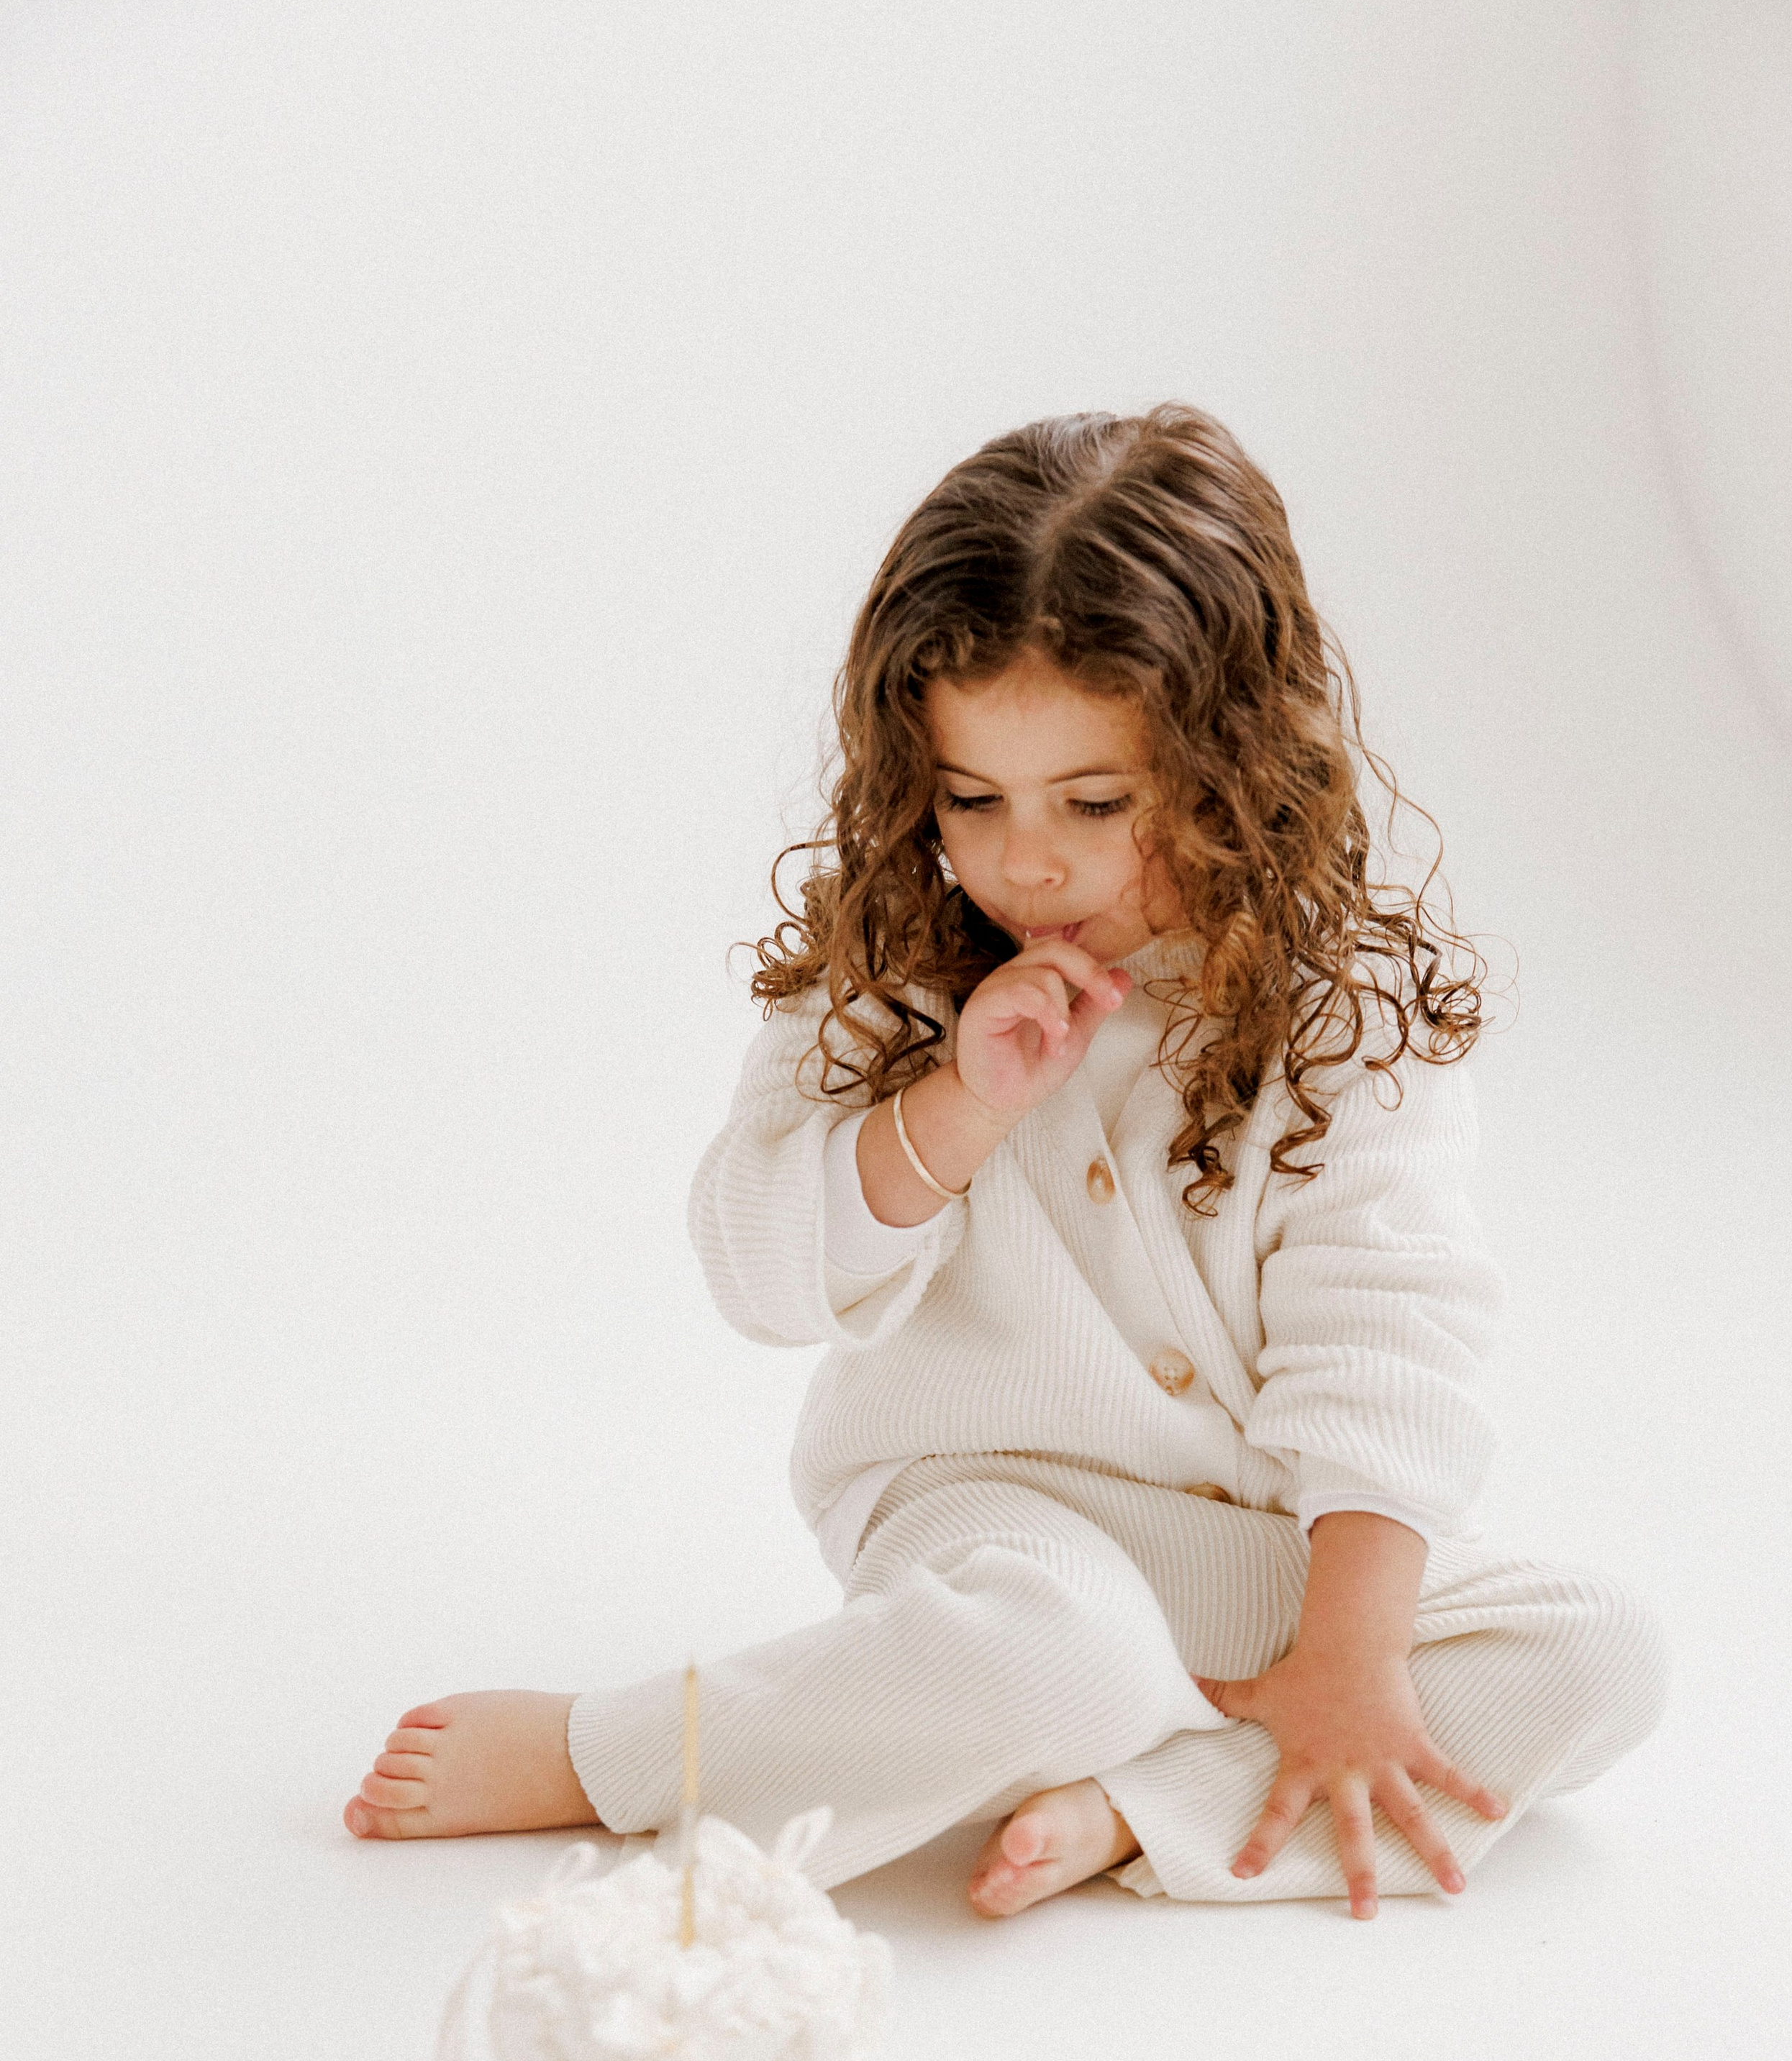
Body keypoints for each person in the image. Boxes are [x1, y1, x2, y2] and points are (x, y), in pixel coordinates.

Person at [344, 404, 1668, 1919]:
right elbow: (760, 1277)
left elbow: (1389, 1322)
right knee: (1059, 1652)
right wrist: (952, 1111)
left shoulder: (1337, 1011)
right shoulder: (893, 977)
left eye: (1092, 804)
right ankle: (620, 1753)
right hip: (988, 1516)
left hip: (1257, 1541)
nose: (1023, 859)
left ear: (1234, 768)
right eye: (971, 799)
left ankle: (1142, 1805)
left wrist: (1348, 1655)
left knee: (1596, 1649)